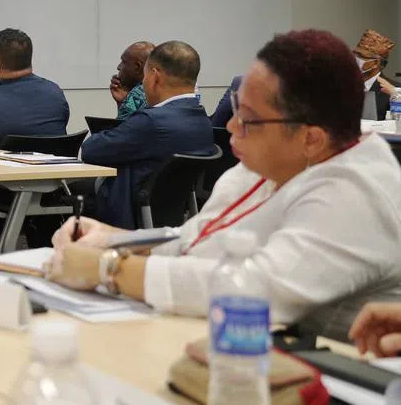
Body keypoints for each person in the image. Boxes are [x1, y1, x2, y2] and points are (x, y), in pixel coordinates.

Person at [48, 29, 401, 330]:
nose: (231, 127)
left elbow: (253, 291)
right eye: (236, 108)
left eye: (249, 119)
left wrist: (109, 268)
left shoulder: (356, 192)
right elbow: (197, 240)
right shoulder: (269, 166)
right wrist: (115, 239)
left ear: (310, 138)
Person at [81, 40, 214, 229]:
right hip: (169, 219)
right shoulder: (203, 122)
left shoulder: (151, 121)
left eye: (144, 76)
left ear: (154, 76)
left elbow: (90, 150)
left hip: (127, 217)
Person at [110, 41, 154, 120]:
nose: (119, 67)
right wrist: (123, 102)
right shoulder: (165, 88)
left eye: (124, 62)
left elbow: (121, 130)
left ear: (137, 66)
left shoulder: (137, 94)